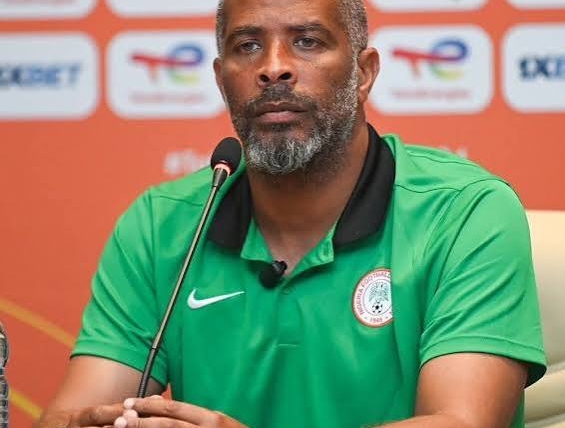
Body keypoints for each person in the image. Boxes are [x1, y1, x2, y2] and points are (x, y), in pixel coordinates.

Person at [34, 0, 546, 427]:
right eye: (247, 46)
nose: (273, 67)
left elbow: (461, 422)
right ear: (221, 79)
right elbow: (68, 414)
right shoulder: (161, 224)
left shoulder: (465, 211)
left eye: (307, 41)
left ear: (364, 73)